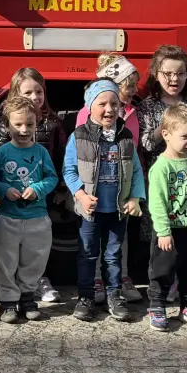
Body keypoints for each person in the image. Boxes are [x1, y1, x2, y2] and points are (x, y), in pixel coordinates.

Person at [63, 79, 146, 322]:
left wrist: (135, 197)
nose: (109, 109)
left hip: (117, 210)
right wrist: (81, 195)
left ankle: (114, 295)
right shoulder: (78, 137)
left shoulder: (126, 137)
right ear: (90, 107)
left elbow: (137, 170)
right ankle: (86, 297)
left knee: (113, 255)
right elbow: (69, 170)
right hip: (90, 210)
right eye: (102, 104)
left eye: (114, 104)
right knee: (88, 254)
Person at [0, 96, 58, 324]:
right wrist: (5, 189)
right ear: (7, 125)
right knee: (4, 259)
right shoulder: (1, 153)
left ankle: (28, 296)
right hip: (8, 217)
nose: (24, 129)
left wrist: (38, 189)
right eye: (17, 124)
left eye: (30, 124)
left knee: (35, 258)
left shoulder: (41, 152)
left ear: (36, 124)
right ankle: (8, 301)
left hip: (37, 217)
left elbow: (51, 177)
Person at [146, 105, 187, 332]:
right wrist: (163, 231)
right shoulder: (161, 167)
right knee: (162, 269)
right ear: (166, 134)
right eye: (184, 136)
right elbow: (157, 203)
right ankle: (157, 305)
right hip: (170, 231)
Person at [1, 67, 66, 304]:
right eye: (28, 92)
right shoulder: (6, 124)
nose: (35, 97)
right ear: (15, 94)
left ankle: (38, 280)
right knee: (11, 242)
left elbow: (61, 158)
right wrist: (0, 190)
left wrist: (60, 187)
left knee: (37, 244)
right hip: (12, 196)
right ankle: (12, 285)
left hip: (41, 194)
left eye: (39, 91)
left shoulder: (54, 123)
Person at [137, 44, 187, 160]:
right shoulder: (147, 107)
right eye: (168, 74)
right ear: (156, 74)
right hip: (161, 172)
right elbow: (146, 145)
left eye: (180, 74)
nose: (174, 78)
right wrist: (167, 125)